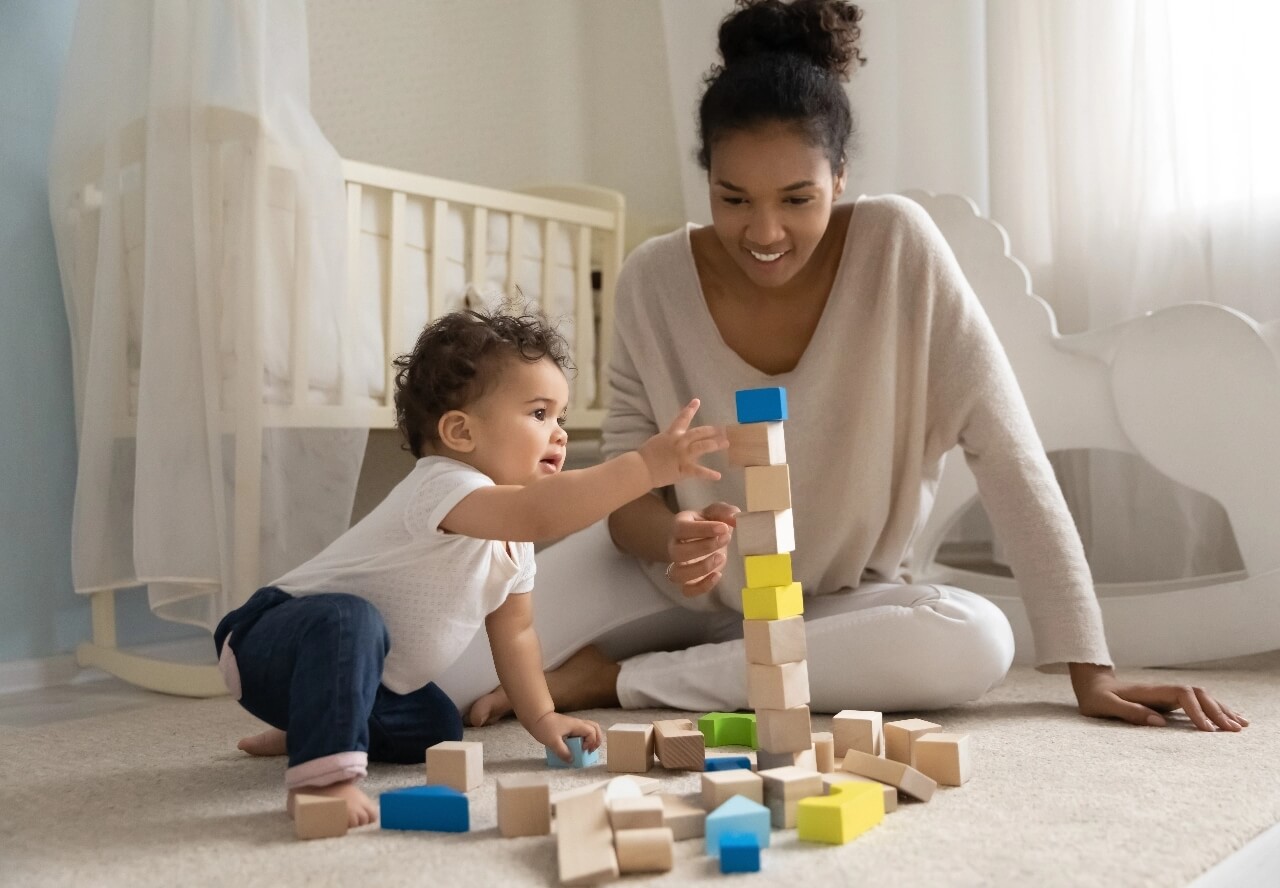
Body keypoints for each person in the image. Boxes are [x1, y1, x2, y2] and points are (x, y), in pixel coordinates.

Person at [443, 0, 1248, 737]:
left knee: (975, 640)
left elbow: (1007, 454)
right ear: (708, 182)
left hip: (837, 606)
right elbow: (625, 496)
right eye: (733, 199)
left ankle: (623, 683)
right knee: (436, 681)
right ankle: (683, 667)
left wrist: (1092, 669)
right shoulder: (654, 278)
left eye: (798, 199)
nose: (763, 232)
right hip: (668, 589)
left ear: (840, 179)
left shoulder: (899, 248)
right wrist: (676, 533)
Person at [214, 307, 728, 827]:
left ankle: (318, 720)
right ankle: (323, 782)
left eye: (562, 418)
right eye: (538, 414)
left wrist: (543, 716)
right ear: (460, 432)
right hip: (270, 639)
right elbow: (544, 512)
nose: (560, 434)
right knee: (351, 619)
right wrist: (643, 468)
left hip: (359, 681)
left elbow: (517, 634)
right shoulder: (443, 485)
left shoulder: (513, 541)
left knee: (437, 722)